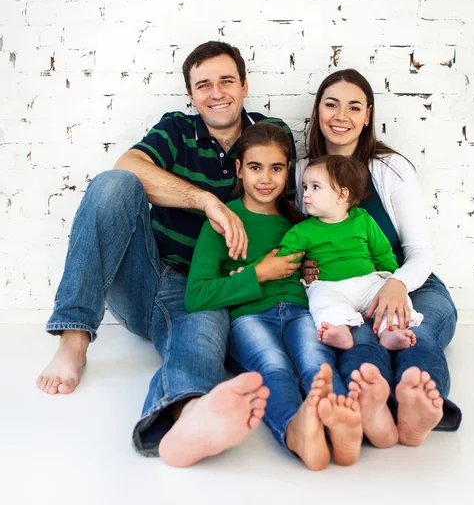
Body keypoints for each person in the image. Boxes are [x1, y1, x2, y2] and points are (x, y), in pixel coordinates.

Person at [35, 40, 303, 466]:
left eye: (226, 81)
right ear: (192, 95)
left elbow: (287, 212)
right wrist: (206, 201)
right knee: (113, 183)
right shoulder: (178, 128)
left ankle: (190, 415)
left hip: (207, 286)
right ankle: (73, 338)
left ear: (245, 85)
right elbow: (130, 166)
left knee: (197, 339)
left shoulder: (269, 135)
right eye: (204, 85)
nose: (216, 93)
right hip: (146, 272)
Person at [297, 68, 462, 447]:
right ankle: (370, 408)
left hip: (411, 282)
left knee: (413, 334)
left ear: (368, 116)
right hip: (345, 288)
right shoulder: (305, 171)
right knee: (357, 340)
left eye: (354, 107)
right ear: (318, 110)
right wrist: (306, 267)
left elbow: (421, 252)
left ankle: (417, 404)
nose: (341, 116)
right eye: (331, 105)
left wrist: (396, 284)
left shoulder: (389, 168)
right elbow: (305, 236)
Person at [185, 122, 363, 471]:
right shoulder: (223, 221)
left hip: (299, 311)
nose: (266, 178)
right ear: (239, 169)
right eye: (255, 167)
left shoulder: (300, 221)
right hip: (249, 318)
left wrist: (312, 272)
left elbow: (330, 266)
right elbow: (196, 295)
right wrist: (258, 273)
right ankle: (295, 430)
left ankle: (341, 423)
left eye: (277, 168)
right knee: (274, 366)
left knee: (316, 362)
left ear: (289, 172)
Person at [277, 153, 423, 352]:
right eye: (305, 187)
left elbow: (382, 251)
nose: (307, 194)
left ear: (342, 195)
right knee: (322, 302)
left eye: (315, 187)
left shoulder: (362, 219)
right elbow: (284, 261)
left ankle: (391, 330)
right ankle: (339, 330)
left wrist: (394, 277)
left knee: (391, 298)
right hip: (329, 286)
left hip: (368, 281)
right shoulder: (301, 231)